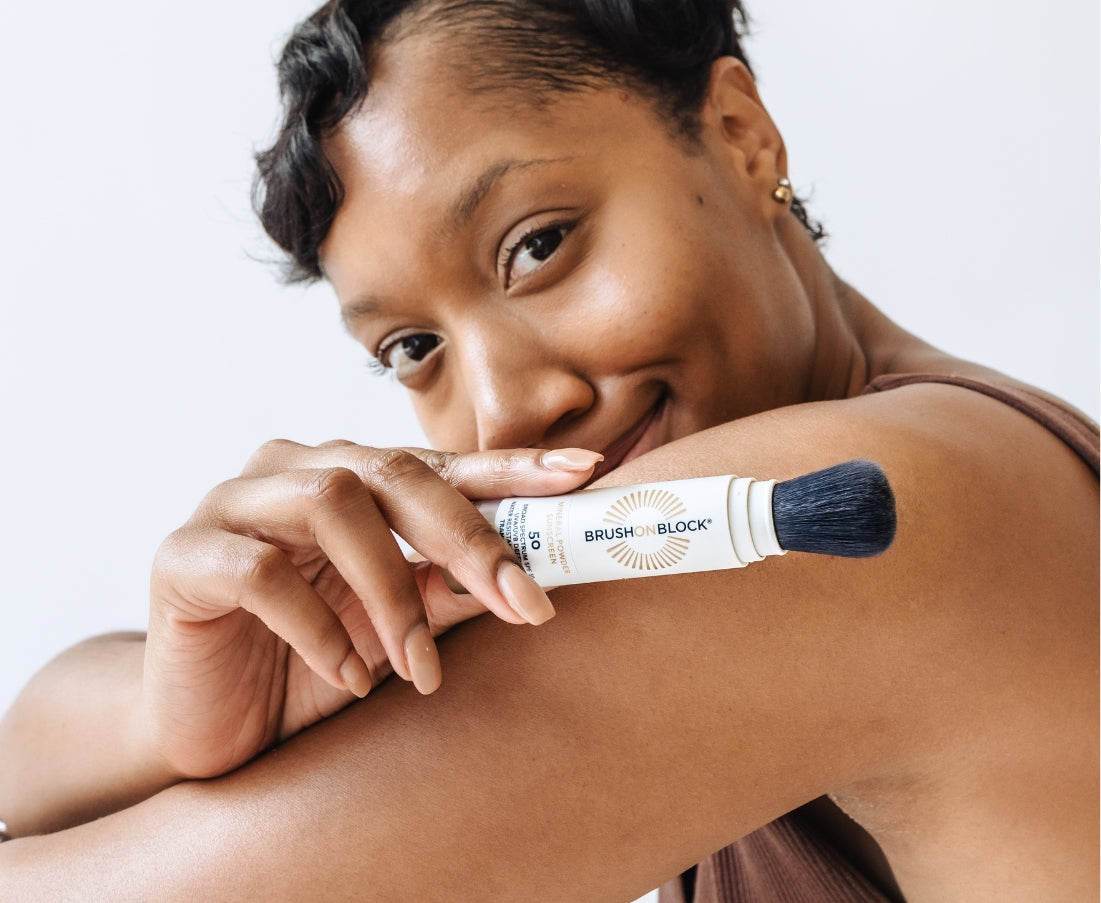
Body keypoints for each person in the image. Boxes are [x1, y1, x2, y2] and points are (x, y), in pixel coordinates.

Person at [0, 1, 1096, 900]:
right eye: (414, 346)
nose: (507, 411)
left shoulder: (873, 517)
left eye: (537, 245)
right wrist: (175, 710)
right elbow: (29, 749)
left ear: (739, 133)